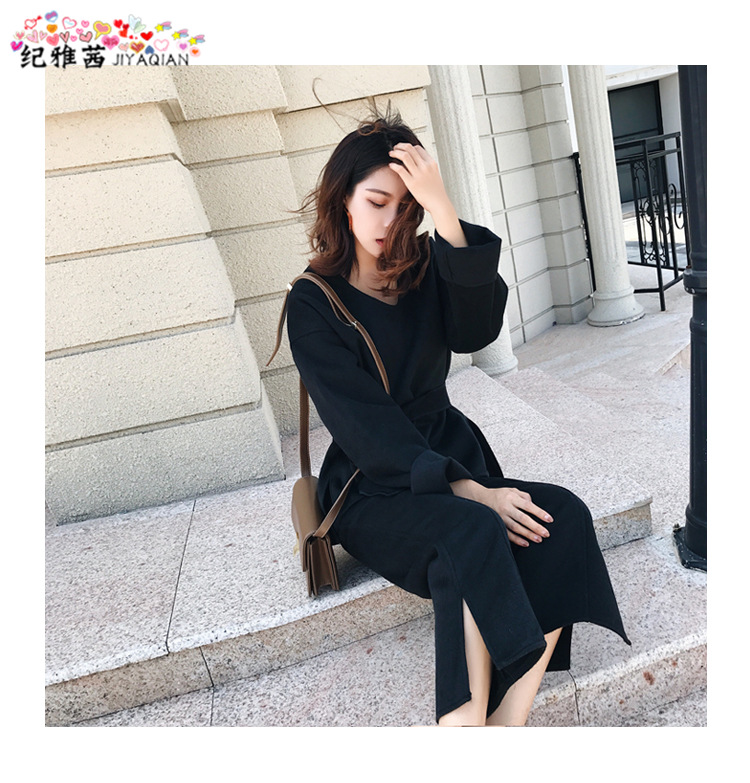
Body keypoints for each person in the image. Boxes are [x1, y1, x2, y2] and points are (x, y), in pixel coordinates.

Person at [285, 111, 630, 727]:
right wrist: (471, 491)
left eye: (407, 208)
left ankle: (504, 723)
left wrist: (443, 210)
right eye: (377, 203)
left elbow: (476, 331)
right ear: (343, 200)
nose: (391, 223)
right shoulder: (313, 302)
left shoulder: (422, 266)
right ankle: (461, 728)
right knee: (471, 531)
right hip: (374, 481)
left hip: (449, 449)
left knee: (562, 517)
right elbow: (365, 428)